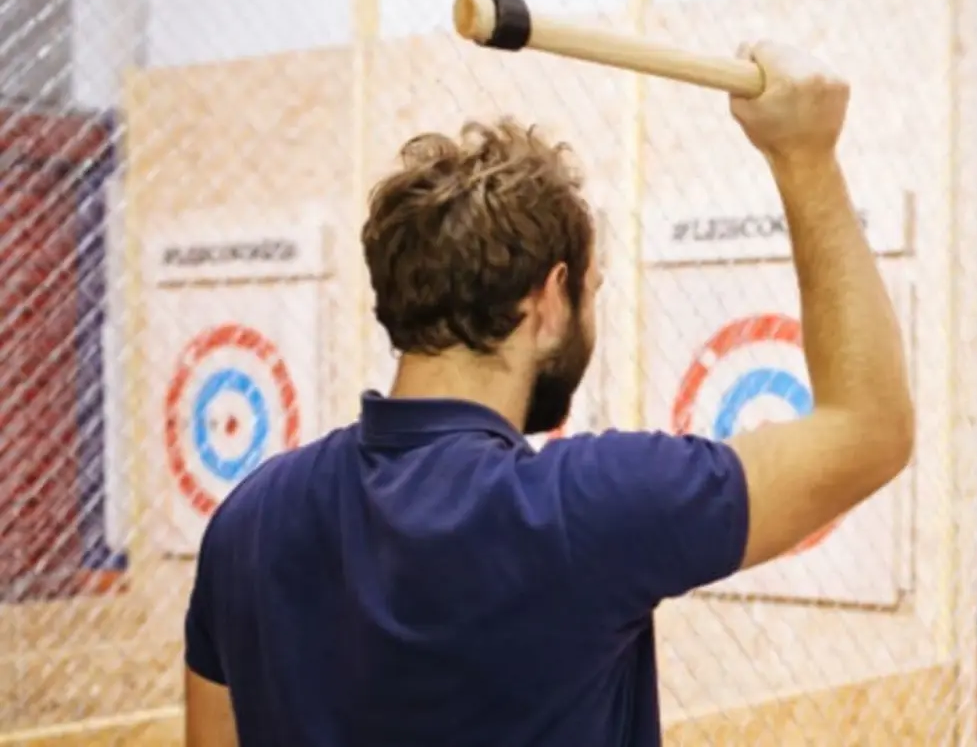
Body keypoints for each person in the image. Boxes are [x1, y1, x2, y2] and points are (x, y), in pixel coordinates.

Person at [182, 42, 915, 747]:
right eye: (591, 290)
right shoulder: (583, 508)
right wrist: (806, 156)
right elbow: (869, 426)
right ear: (549, 299)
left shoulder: (248, 522)